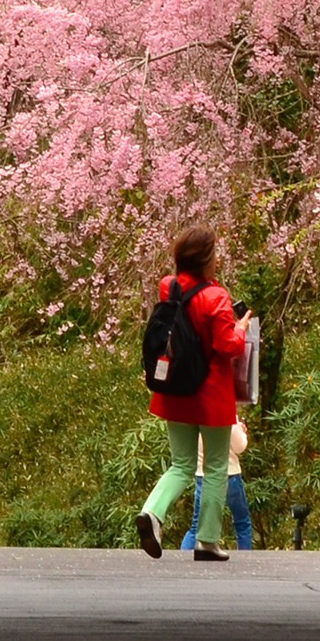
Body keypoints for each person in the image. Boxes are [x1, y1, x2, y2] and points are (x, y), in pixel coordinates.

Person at [134, 226, 248, 563]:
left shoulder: (169, 287)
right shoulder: (216, 298)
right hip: (210, 395)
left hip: (175, 390)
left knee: (181, 465)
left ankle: (152, 513)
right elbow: (226, 346)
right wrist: (241, 330)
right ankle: (207, 541)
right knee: (214, 467)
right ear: (207, 259)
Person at [180, 419, 254, 553]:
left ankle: (184, 555)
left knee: (196, 525)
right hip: (230, 473)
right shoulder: (227, 414)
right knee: (242, 522)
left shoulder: (195, 417)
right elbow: (239, 446)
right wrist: (243, 433)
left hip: (202, 474)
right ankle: (245, 556)